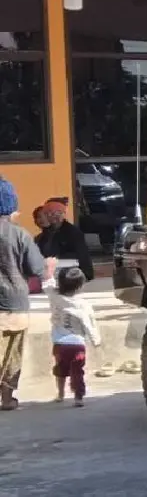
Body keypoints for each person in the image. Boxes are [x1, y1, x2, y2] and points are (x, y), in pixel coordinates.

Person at [2, 176, 49, 411]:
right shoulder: (20, 234)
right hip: (15, 304)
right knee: (12, 356)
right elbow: (36, 270)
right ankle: (7, 399)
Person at [45, 265, 100, 407]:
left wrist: (49, 271)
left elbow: (47, 285)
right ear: (80, 285)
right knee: (78, 372)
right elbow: (89, 324)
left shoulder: (54, 297)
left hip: (59, 343)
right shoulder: (83, 305)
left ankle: (60, 394)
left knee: (60, 369)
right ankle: (78, 397)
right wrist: (96, 340)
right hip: (77, 344)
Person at [34, 199, 94, 281]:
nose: (46, 217)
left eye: (48, 214)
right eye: (46, 214)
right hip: (52, 273)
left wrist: (55, 259)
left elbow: (81, 256)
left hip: (71, 274)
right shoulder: (45, 234)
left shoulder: (72, 232)